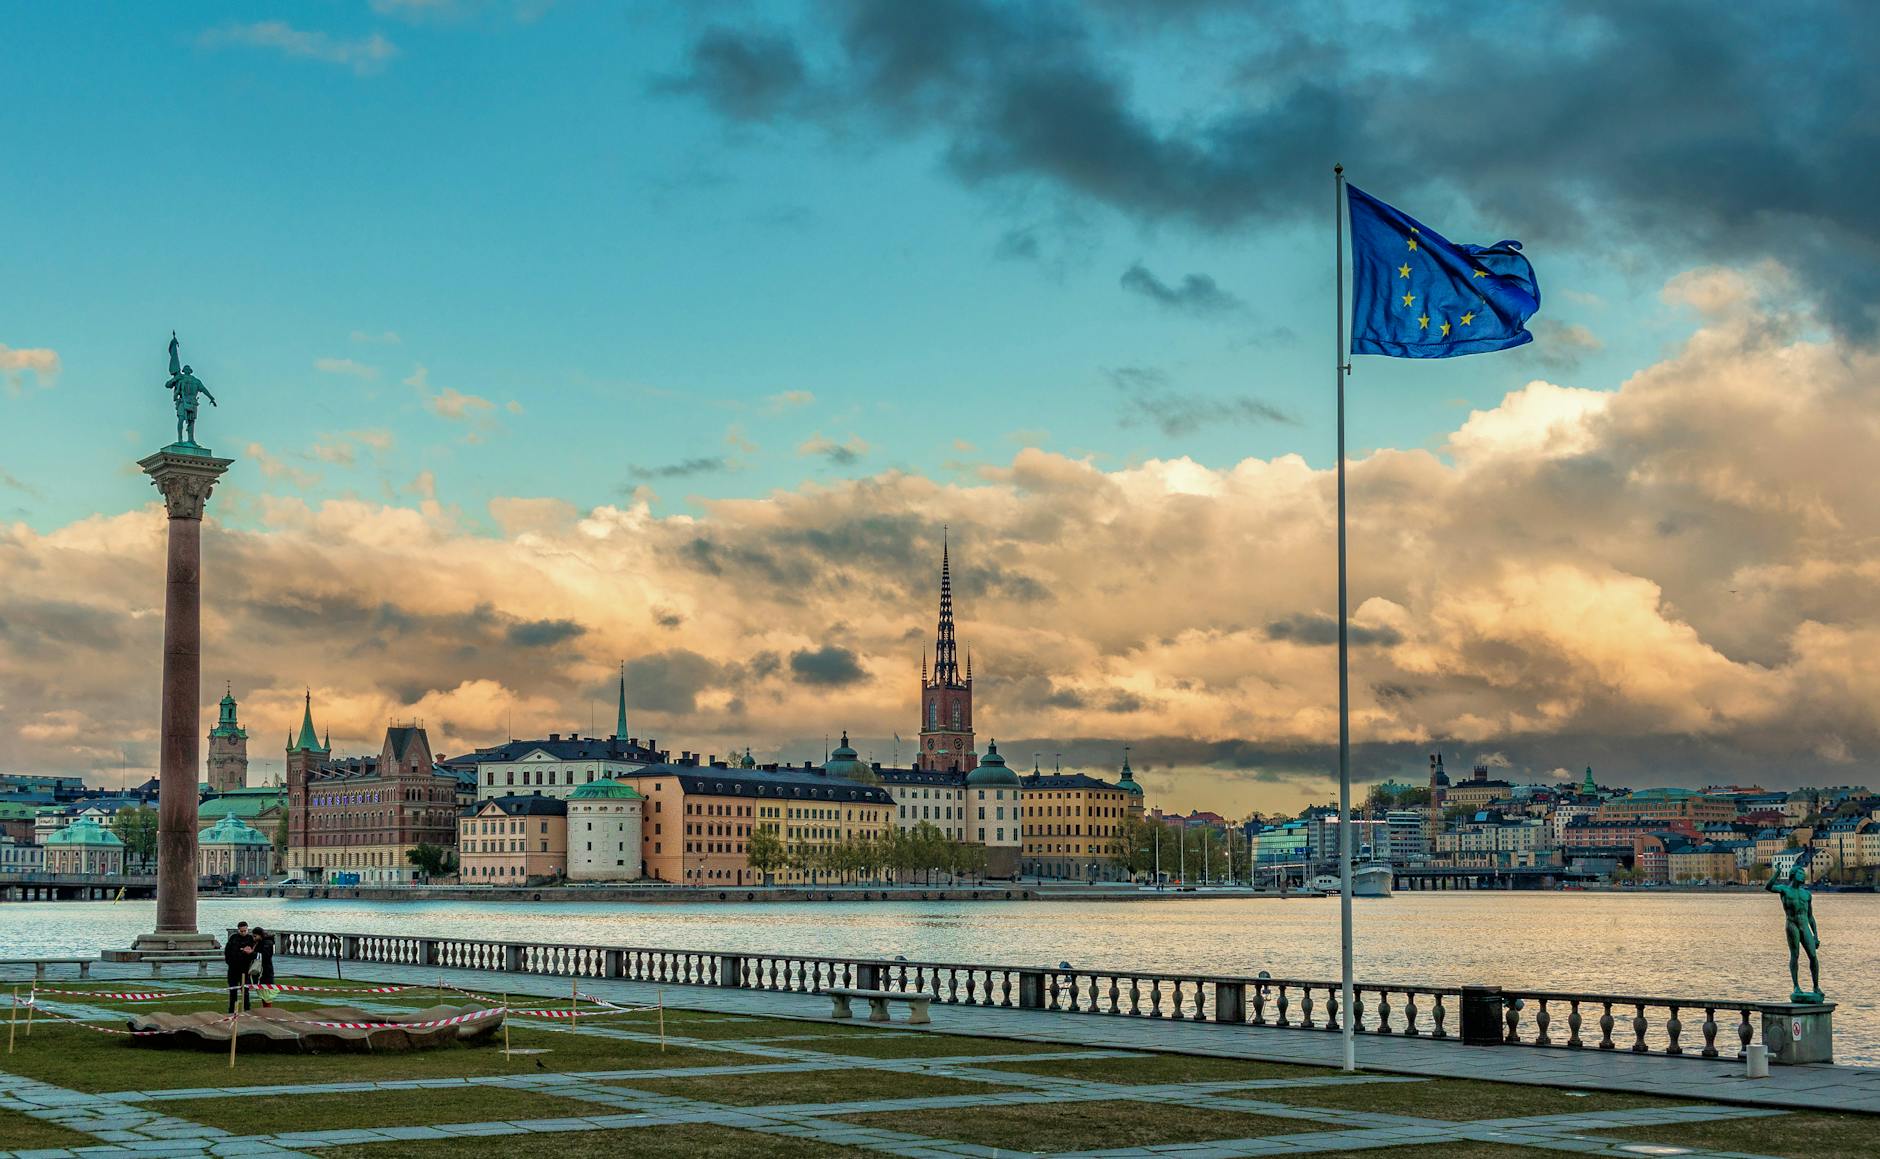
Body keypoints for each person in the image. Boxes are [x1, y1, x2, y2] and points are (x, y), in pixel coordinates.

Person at [224, 921, 256, 1014]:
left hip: (245, 969)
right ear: (238, 930)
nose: (243, 933)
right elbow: (228, 952)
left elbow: (252, 953)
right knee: (233, 990)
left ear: (247, 929)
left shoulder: (250, 939)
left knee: (245, 991)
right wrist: (230, 962)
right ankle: (232, 1010)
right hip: (233, 968)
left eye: (245, 931)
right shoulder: (233, 938)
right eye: (241, 931)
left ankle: (246, 1009)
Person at [252, 926, 276, 1006]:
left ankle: (268, 1013)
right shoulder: (259, 943)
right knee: (263, 994)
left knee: (267, 996)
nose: (254, 938)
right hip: (261, 973)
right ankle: (266, 1012)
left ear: (260, 935)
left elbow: (265, 956)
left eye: (255, 936)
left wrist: (252, 953)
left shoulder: (267, 943)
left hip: (266, 973)